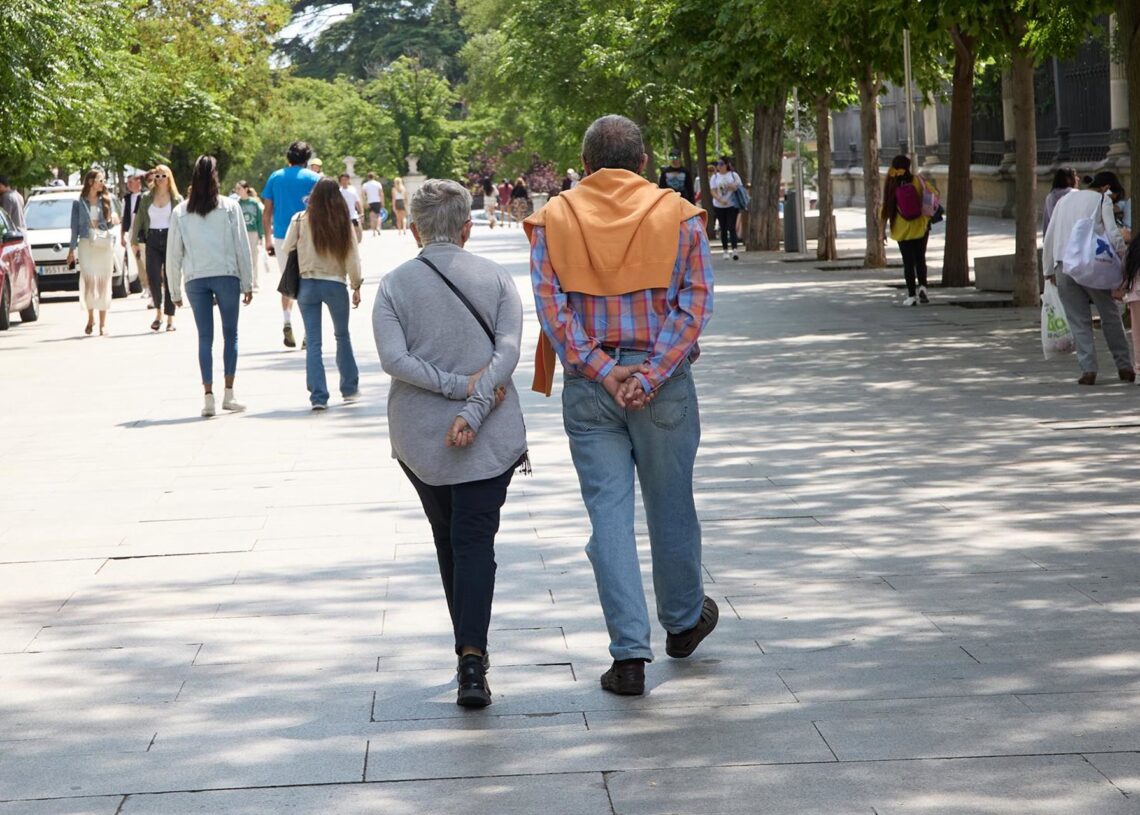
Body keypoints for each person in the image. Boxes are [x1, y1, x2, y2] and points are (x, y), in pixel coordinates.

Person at [525, 114, 717, 696]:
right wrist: (650, 374)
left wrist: (607, 373)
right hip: (663, 386)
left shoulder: (553, 218)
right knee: (671, 504)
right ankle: (682, 621)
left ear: (584, 165)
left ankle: (629, 655)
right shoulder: (679, 216)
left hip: (591, 387)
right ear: (644, 162)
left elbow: (553, 311)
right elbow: (695, 306)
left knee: (608, 517)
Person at [373, 178, 528, 708]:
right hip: (491, 434)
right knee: (474, 541)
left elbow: (393, 359)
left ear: (414, 230)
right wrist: (475, 402)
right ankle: (472, 657)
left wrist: (454, 390)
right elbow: (508, 352)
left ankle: (467, 652)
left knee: (448, 537)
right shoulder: (497, 278)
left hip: (420, 437)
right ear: (467, 229)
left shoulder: (394, 286)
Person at [167, 155, 254, 417]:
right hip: (226, 274)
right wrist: (247, 282)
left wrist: (174, 290)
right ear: (216, 177)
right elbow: (242, 246)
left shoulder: (181, 211)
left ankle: (208, 397)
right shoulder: (230, 207)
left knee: (205, 338)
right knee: (231, 335)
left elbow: (174, 254)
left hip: (195, 277)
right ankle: (229, 393)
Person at [1043, 170, 1131, 386]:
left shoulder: (1064, 201)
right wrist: (1125, 261)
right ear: (1107, 188)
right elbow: (1113, 234)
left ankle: (1088, 370)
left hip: (1063, 265)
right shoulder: (1102, 200)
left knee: (1078, 320)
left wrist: (1048, 269)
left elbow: (1050, 236)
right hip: (1092, 267)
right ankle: (1124, 366)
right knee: (1110, 315)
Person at [282, 178, 363, 411]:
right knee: (342, 336)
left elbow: (287, 248)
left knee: (313, 342)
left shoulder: (300, 219)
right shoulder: (342, 221)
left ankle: (318, 397)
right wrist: (356, 285)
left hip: (307, 284)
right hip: (335, 284)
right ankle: (349, 388)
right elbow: (352, 256)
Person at [262, 141, 320, 348]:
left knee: (288, 280)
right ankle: (308, 331)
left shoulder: (275, 177)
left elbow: (267, 211)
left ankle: (287, 321)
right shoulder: (314, 178)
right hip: (308, 235)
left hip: (281, 236)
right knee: (308, 281)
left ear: (288, 157)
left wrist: (267, 239)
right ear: (307, 159)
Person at [130, 164, 183, 332]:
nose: (159, 179)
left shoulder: (177, 199)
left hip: (170, 238)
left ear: (169, 178)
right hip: (152, 238)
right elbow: (139, 219)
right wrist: (134, 241)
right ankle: (158, 313)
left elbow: (183, 223)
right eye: (157, 176)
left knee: (169, 277)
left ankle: (170, 318)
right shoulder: (146, 197)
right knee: (153, 276)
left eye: (163, 176)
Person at [67, 168, 118, 336]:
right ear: (90, 182)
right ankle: (91, 318)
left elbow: (110, 225)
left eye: (103, 180)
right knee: (89, 281)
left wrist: (112, 219)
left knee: (103, 282)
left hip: (102, 244)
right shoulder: (79, 203)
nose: (103, 183)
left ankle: (103, 324)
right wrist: (71, 250)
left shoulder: (107, 200)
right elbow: (74, 228)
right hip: (85, 243)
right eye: (100, 180)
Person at [881, 155, 931, 307]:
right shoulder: (918, 180)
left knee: (908, 262)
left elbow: (885, 209)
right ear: (909, 167)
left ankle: (911, 296)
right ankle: (923, 287)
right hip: (920, 226)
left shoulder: (891, 183)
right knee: (920, 259)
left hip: (901, 229)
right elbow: (931, 196)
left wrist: (882, 231)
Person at [709, 157, 742, 260]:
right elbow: (713, 190)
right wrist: (719, 199)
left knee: (731, 227)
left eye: (722, 164)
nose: (719, 166)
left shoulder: (733, 175)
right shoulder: (715, 177)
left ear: (727, 164)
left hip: (732, 204)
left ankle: (735, 250)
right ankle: (725, 250)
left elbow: (739, 187)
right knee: (723, 228)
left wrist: (733, 187)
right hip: (719, 205)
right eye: (718, 164)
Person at [121, 171, 146, 299]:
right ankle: (145, 286)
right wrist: (122, 236)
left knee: (147, 260)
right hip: (132, 233)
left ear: (138, 182)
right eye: (128, 182)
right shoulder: (126, 199)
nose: (129, 184)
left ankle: (155, 285)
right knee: (138, 259)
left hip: (144, 232)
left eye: (131, 181)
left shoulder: (145, 196)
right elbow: (123, 218)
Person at [235, 181, 265, 292]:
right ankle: (242, 282)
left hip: (253, 232)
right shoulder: (236, 203)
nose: (237, 191)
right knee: (241, 257)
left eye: (239, 188)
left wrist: (261, 235)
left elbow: (259, 219)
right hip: (240, 233)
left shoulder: (254, 203)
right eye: (236, 189)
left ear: (246, 189)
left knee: (253, 257)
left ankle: (254, 282)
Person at [1042, 167, 1078, 237]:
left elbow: (1046, 221)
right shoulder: (1075, 194)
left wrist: (1046, 238)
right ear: (1068, 179)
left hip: (1055, 236)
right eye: (1075, 176)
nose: (1077, 179)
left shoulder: (1050, 196)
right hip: (1072, 235)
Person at [337, 173, 364, 243]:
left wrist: (361, 213)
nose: (344, 181)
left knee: (357, 231)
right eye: (342, 180)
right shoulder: (338, 191)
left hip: (353, 214)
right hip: (343, 215)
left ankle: (357, 243)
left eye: (345, 179)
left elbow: (357, 202)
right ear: (340, 181)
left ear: (348, 180)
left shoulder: (353, 190)